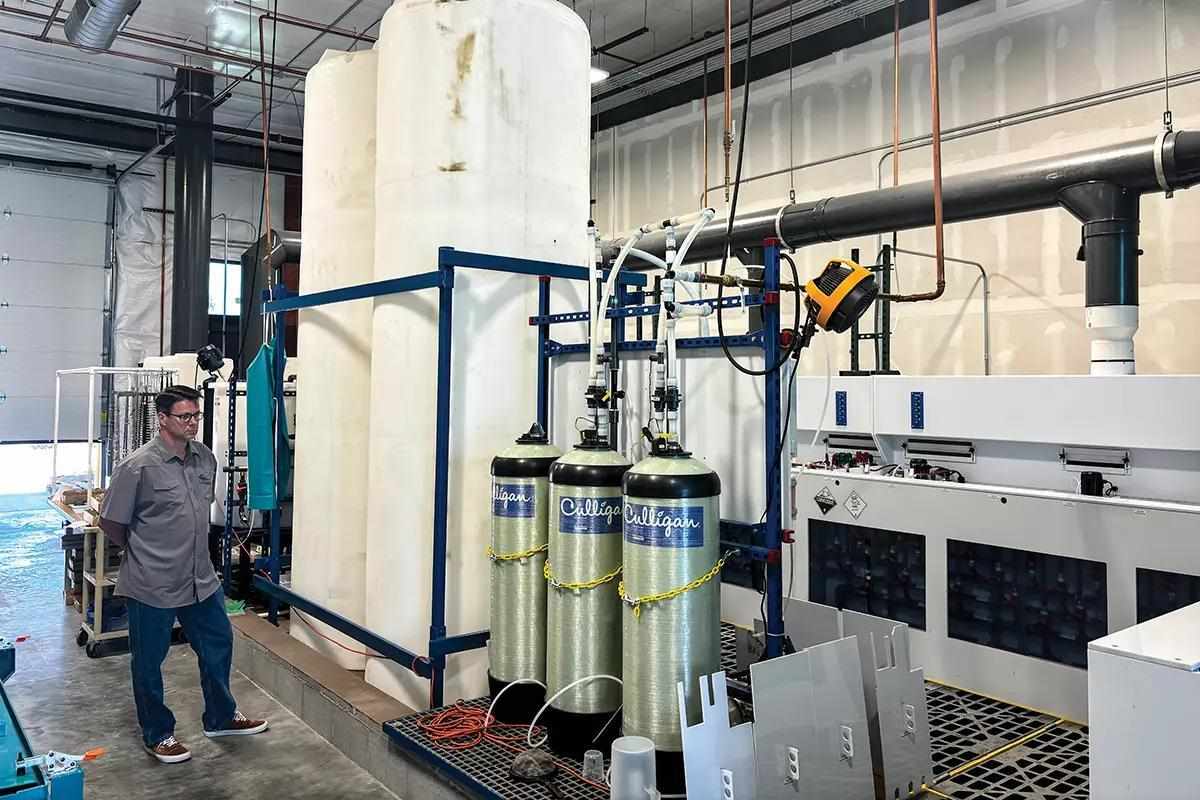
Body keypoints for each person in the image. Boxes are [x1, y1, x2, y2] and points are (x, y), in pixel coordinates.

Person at [99, 384, 268, 764]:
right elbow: (111, 522)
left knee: (218, 645)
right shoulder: (137, 467)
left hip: (200, 578)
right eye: (185, 417)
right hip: (152, 581)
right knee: (148, 660)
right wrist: (146, 553)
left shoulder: (205, 458)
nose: (193, 423)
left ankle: (221, 717)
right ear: (162, 419)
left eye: (196, 416)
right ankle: (158, 733)